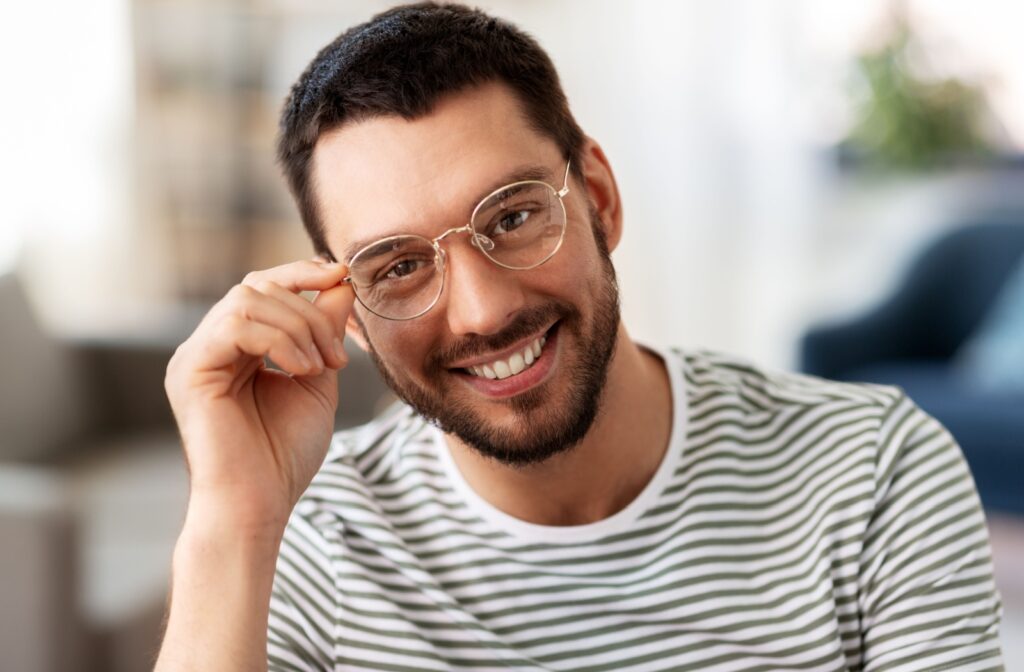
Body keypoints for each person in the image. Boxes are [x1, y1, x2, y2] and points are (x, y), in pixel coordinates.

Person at [155, 3, 1004, 670]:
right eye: (399, 266)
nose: (482, 311)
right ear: (351, 312)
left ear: (598, 198)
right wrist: (232, 521)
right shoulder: (308, 538)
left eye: (513, 216)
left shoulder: (877, 473)